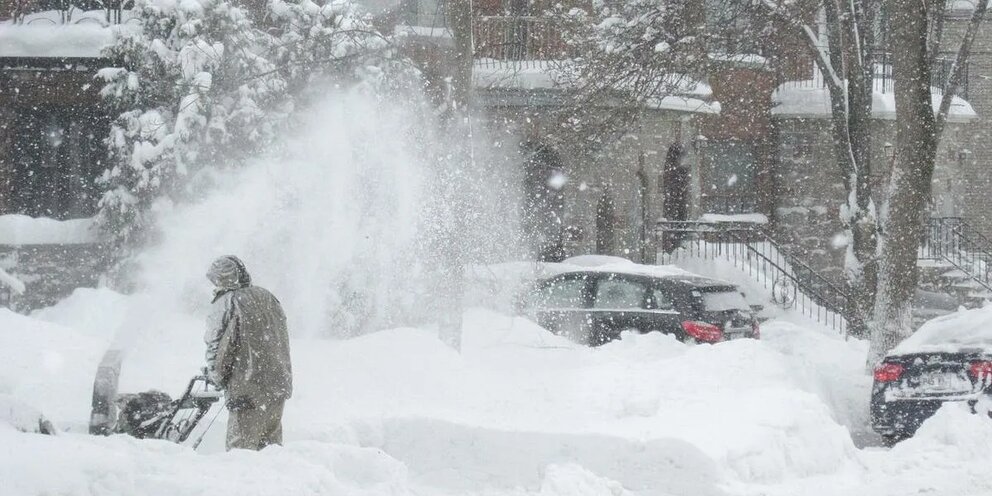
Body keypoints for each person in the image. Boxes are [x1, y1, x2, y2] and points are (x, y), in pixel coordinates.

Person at [204, 255, 292, 451]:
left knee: (241, 454)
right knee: (271, 450)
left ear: (221, 278)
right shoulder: (267, 296)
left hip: (246, 390)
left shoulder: (227, 302)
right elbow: (280, 339)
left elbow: (218, 346)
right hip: (278, 386)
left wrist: (216, 375)